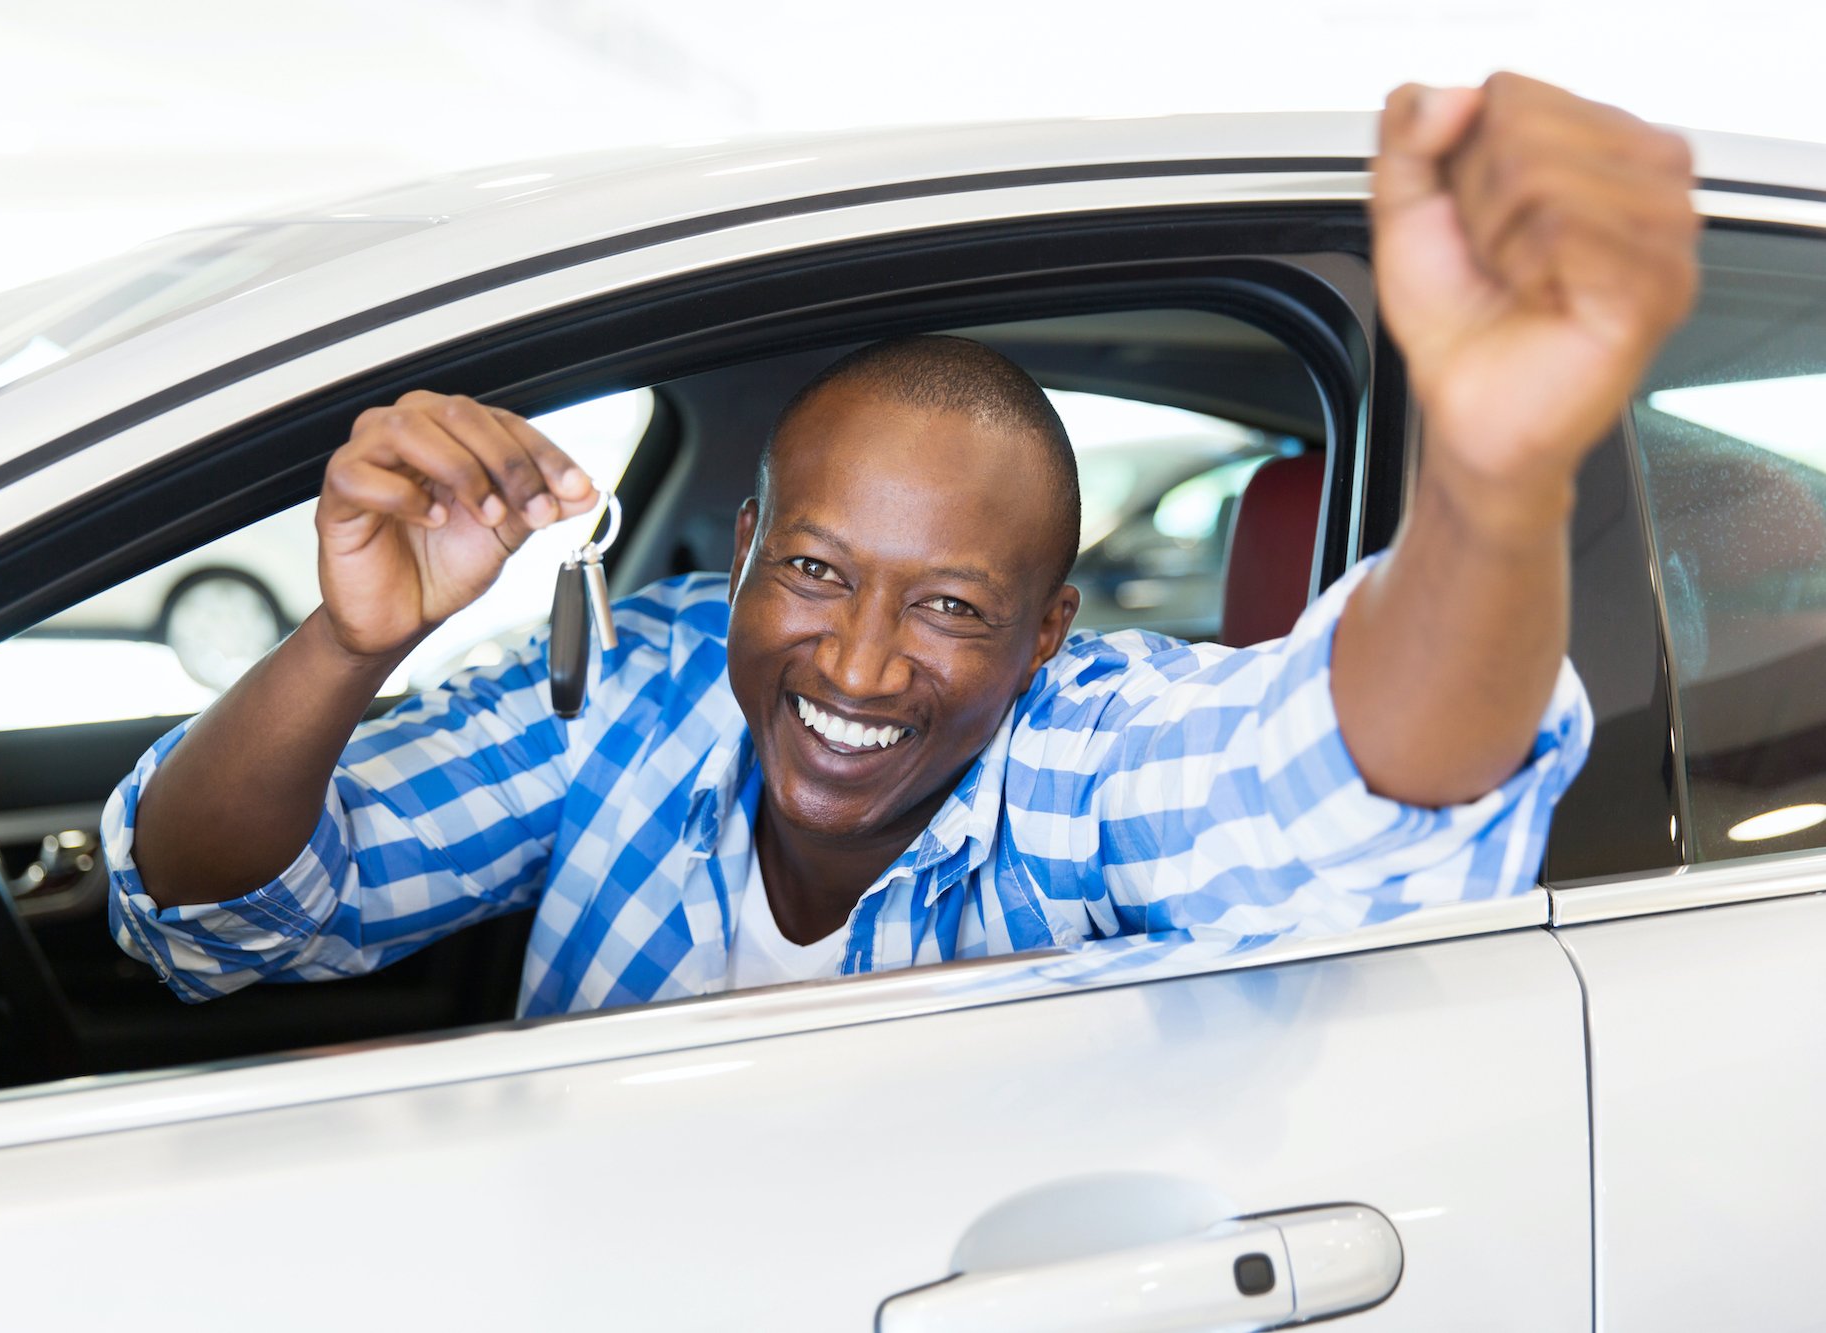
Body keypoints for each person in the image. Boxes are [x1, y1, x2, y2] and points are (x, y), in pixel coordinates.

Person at [104, 74, 1698, 1015]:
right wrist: (350, 642)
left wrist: (1497, 475)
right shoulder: (639, 689)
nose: (862, 664)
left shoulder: (1075, 764)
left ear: (1049, 632)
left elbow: (1324, 798)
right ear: (738, 546)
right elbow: (219, 912)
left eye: (951, 605)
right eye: (813, 570)